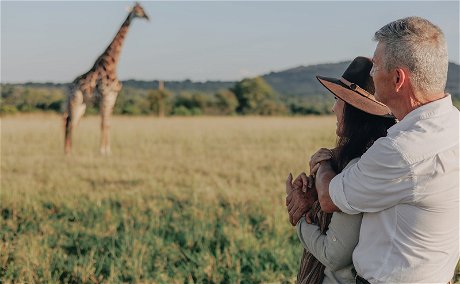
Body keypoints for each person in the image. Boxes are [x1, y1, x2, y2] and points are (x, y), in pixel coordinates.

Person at [312, 17, 459, 283]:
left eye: (375, 67)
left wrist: (322, 162)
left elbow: (330, 199)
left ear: (398, 78)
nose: (372, 74)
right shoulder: (454, 125)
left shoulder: (401, 152)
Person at [285, 56, 397, 284]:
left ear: (355, 111)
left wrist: (301, 219)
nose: (333, 107)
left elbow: (333, 255)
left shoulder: (358, 167)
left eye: (338, 99)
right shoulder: (370, 157)